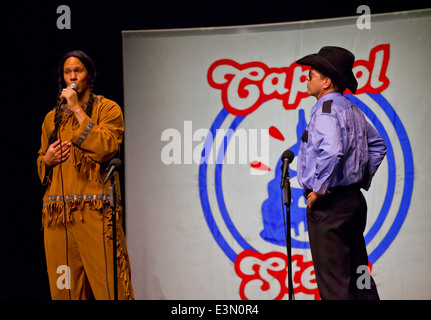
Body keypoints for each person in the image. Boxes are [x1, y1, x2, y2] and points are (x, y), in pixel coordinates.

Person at [37, 50, 134, 300]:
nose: (72, 77)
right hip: (58, 218)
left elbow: (106, 147)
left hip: (95, 214)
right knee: (64, 291)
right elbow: (41, 159)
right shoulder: (52, 119)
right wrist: (46, 160)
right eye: (67, 72)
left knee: (110, 288)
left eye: (77, 71)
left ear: (88, 75)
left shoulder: (108, 109)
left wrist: (78, 110)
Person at [295, 46, 386, 300]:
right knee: (360, 279)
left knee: (334, 285)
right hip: (353, 202)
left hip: (330, 205)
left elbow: (332, 149)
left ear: (326, 82)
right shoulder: (353, 110)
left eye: (311, 75)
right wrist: (359, 178)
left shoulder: (325, 110)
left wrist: (318, 190)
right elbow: (378, 146)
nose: (306, 79)